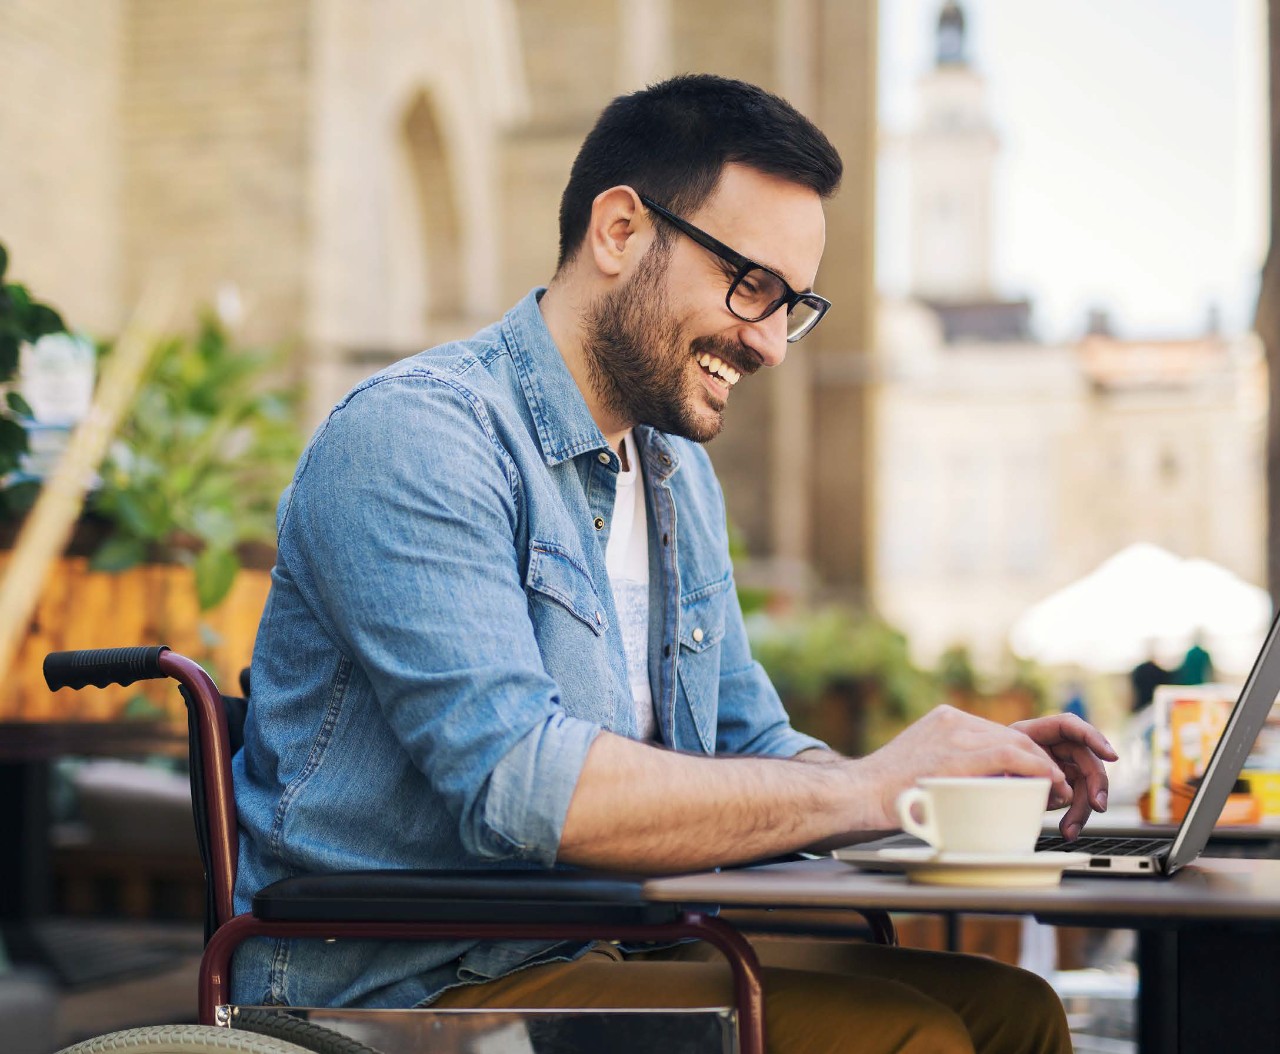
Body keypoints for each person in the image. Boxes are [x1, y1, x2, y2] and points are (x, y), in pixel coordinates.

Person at [232, 74, 1116, 1053]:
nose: (772, 344)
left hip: (615, 952)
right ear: (618, 231)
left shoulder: (671, 475)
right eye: (752, 287)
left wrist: (942, 781)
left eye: (794, 306)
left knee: (1013, 1009)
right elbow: (521, 784)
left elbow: (752, 748)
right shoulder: (420, 436)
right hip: (415, 989)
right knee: (912, 1037)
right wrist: (871, 788)